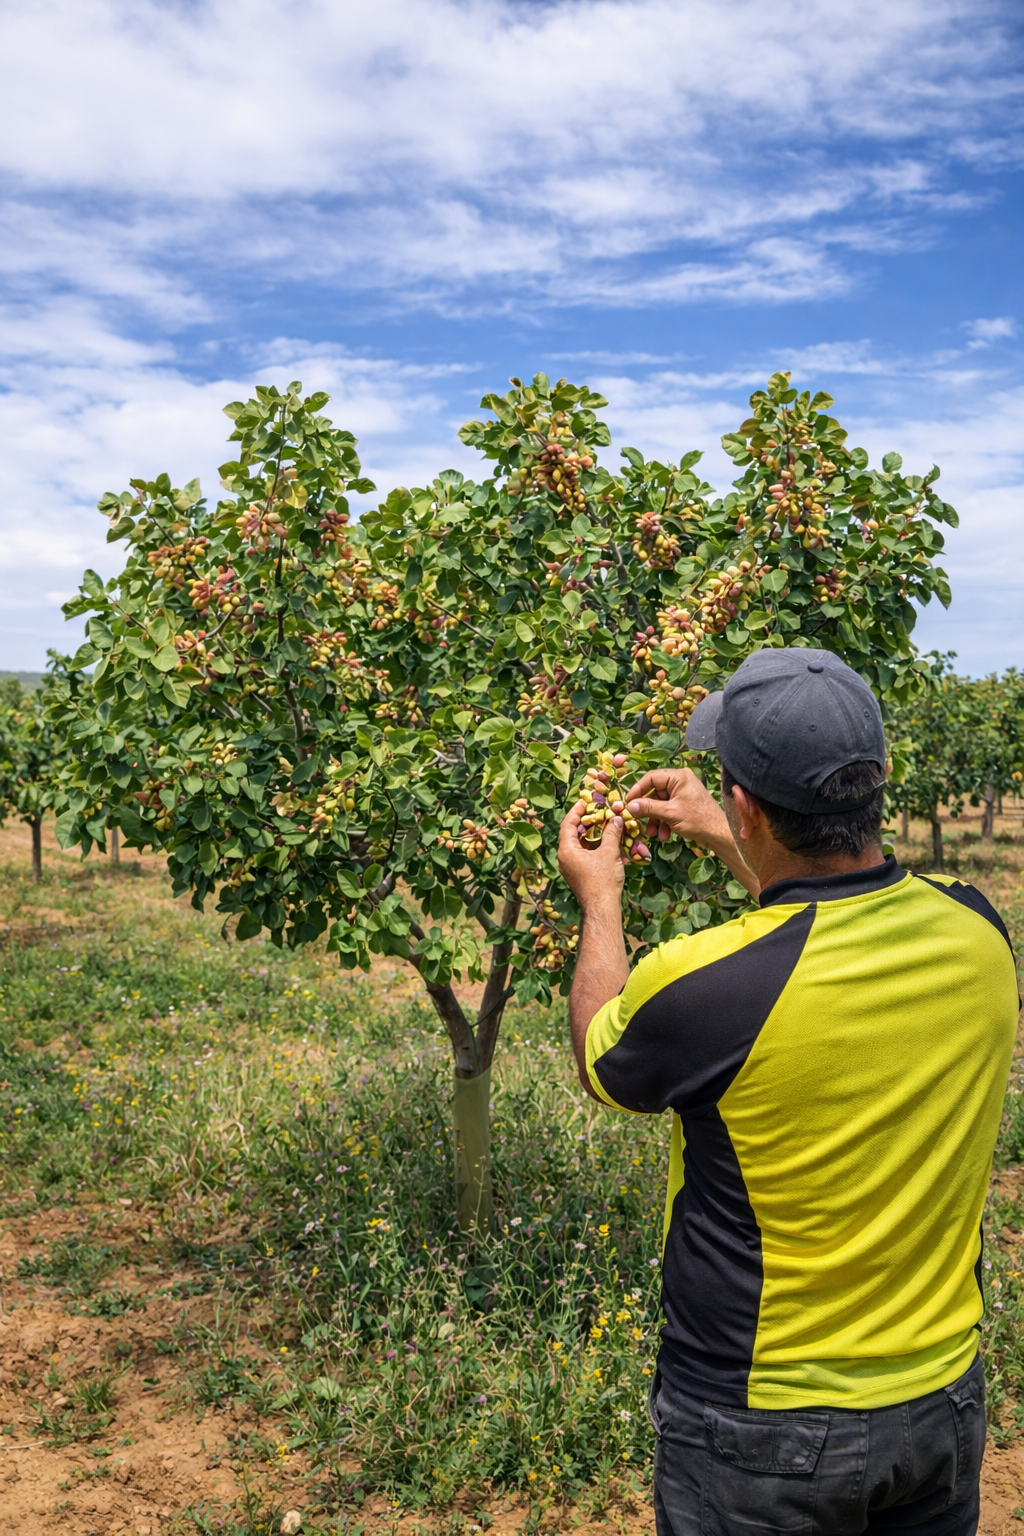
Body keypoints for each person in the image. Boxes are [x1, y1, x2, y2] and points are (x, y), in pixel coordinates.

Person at [557, 648, 1018, 1536]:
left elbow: (601, 1062)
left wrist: (600, 899)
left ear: (746, 802)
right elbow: (825, 914)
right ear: (875, 780)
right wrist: (735, 836)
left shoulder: (705, 986)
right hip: (941, 1404)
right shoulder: (979, 933)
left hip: (758, 1426)